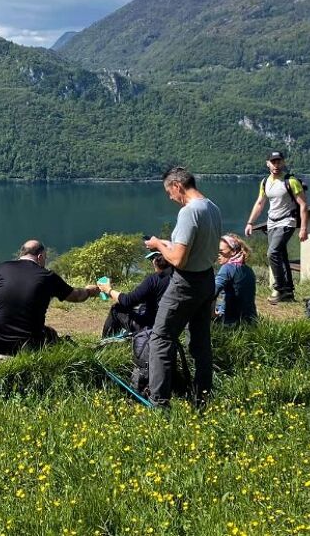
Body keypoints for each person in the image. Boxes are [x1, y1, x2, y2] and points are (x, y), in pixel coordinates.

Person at [145, 166, 222, 406]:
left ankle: (158, 401)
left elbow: (178, 259)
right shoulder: (212, 207)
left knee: (160, 338)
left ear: (177, 186)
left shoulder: (189, 212)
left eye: (170, 192)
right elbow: (197, 246)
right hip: (207, 279)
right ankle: (202, 399)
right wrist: (170, 244)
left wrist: (158, 244)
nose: (171, 198)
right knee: (200, 343)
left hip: (185, 284)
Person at [0, 240, 98, 357]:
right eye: (45, 258)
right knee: (50, 333)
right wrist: (89, 291)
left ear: (22, 254)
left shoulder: (2, 269)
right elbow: (77, 296)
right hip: (29, 344)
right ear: (40, 256)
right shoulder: (47, 277)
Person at [245, 151, 308, 304]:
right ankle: (288, 292)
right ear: (267, 163)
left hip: (287, 221)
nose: (276, 165)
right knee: (281, 255)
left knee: (272, 253)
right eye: (273, 162)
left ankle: (278, 288)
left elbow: (303, 204)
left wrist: (303, 228)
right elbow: (260, 203)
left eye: (279, 161)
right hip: (272, 222)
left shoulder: (291, 181)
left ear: (283, 162)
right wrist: (250, 223)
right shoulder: (265, 182)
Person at [99, 250, 172, 338]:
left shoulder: (154, 280)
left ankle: (105, 342)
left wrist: (108, 290)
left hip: (151, 327)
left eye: (152, 259)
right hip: (173, 326)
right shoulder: (180, 278)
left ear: (155, 262)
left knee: (117, 309)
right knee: (140, 307)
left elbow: (127, 301)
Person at [214, 234, 257, 325]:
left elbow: (213, 291)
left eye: (221, 251)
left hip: (230, 322)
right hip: (250, 321)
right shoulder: (249, 270)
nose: (218, 255)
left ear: (233, 251)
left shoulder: (227, 268)